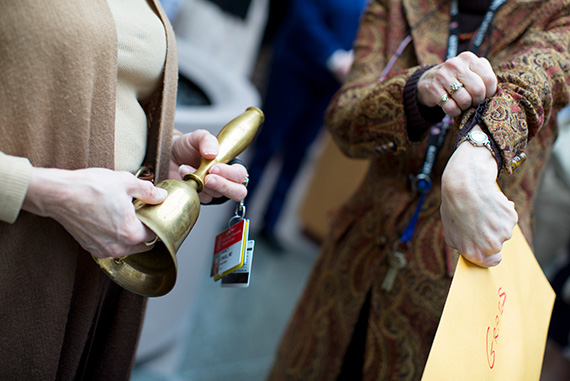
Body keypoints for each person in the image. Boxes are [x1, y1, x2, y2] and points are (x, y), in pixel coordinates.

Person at [268, 0, 570, 379]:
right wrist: (416, 91)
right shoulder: (398, 5)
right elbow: (345, 117)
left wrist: (478, 152)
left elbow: (537, 78)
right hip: (357, 257)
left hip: (462, 287)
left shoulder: (556, 11)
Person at [0, 0, 248, 379]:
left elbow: (114, 88)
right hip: (19, 251)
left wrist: (165, 149)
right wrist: (43, 191)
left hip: (97, 268)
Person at [245, 0, 367, 250]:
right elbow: (303, 12)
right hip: (296, 66)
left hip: (330, 82)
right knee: (268, 144)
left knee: (298, 152)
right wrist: (332, 55)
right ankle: (241, 217)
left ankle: (271, 222)